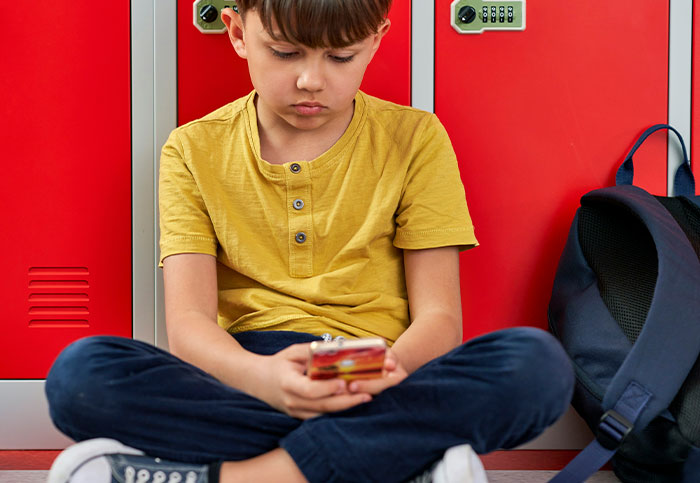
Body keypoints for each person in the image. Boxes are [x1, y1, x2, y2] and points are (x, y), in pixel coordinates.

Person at [45, 1, 574, 482]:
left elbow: (439, 318)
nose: (310, 80)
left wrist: (378, 381)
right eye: (284, 52)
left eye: (341, 57)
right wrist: (265, 379)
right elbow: (190, 325)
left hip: (376, 374)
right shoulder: (191, 149)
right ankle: (394, 457)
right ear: (236, 32)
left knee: (537, 366)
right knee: (81, 375)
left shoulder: (416, 139)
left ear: (376, 40)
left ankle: (236, 477)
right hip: (247, 374)